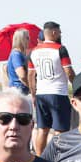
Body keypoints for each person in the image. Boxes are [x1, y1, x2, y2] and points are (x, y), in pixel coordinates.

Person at [30, 21, 75, 152]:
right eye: (59, 32)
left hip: (41, 94)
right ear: (54, 32)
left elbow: (30, 75)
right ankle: (57, 156)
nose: (60, 34)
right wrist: (77, 85)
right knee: (60, 130)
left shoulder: (34, 51)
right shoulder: (60, 49)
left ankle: (39, 157)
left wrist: (33, 93)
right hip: (58, 93)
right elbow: (69, 71)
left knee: (42, 129)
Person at [5, 28, 33, 94]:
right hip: (19, 90)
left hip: (19, 89)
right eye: (27, 37)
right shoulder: (16, 54)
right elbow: (22, 75)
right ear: (21, 39)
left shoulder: (19, 54)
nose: (29, 40)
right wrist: (31, 87)